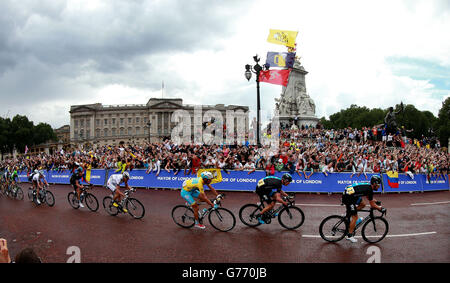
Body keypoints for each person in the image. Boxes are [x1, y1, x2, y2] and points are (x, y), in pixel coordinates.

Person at [341, 175, 386, 243]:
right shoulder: (369, 189)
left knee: (363, 204)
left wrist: (376, 201)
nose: (379, 187)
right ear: (374, 184)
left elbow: (369, 198)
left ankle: (349, 212)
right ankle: (349, 236)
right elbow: (372, 205)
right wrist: (380, 208)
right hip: (348, 197)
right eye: (378, 185)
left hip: (351, 194)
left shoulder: (368, 186)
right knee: (355, 217)